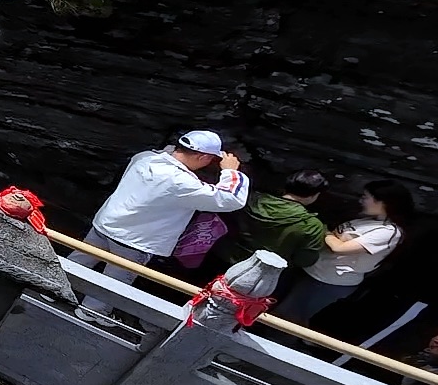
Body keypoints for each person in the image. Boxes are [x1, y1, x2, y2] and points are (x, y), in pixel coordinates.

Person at [71, 130, 249, 317]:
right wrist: (230, 171)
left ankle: (53, 287)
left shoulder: (145, 157)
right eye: (211, 159)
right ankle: (92, 312)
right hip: (134, 241)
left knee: (80, 260)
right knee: (114, 281)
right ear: (203, 156)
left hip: (106, 224)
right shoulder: (181, 182)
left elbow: (165, 154)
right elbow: (228, 198)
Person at [276, 179, 413, 326]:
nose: (361, 200)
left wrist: (321, 228)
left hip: (328, 282)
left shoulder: (389, 232)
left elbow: (340, 248)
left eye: (366, 197)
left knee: (290, 318)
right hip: (312, 270)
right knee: (279, 308)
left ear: (383, 202)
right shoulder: (367, 220)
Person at [218, 170, 330, 272]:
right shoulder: (312, 226)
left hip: (222, 255)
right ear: (314, 195)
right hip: (262, 272)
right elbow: (304, 261)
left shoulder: (249, 198)